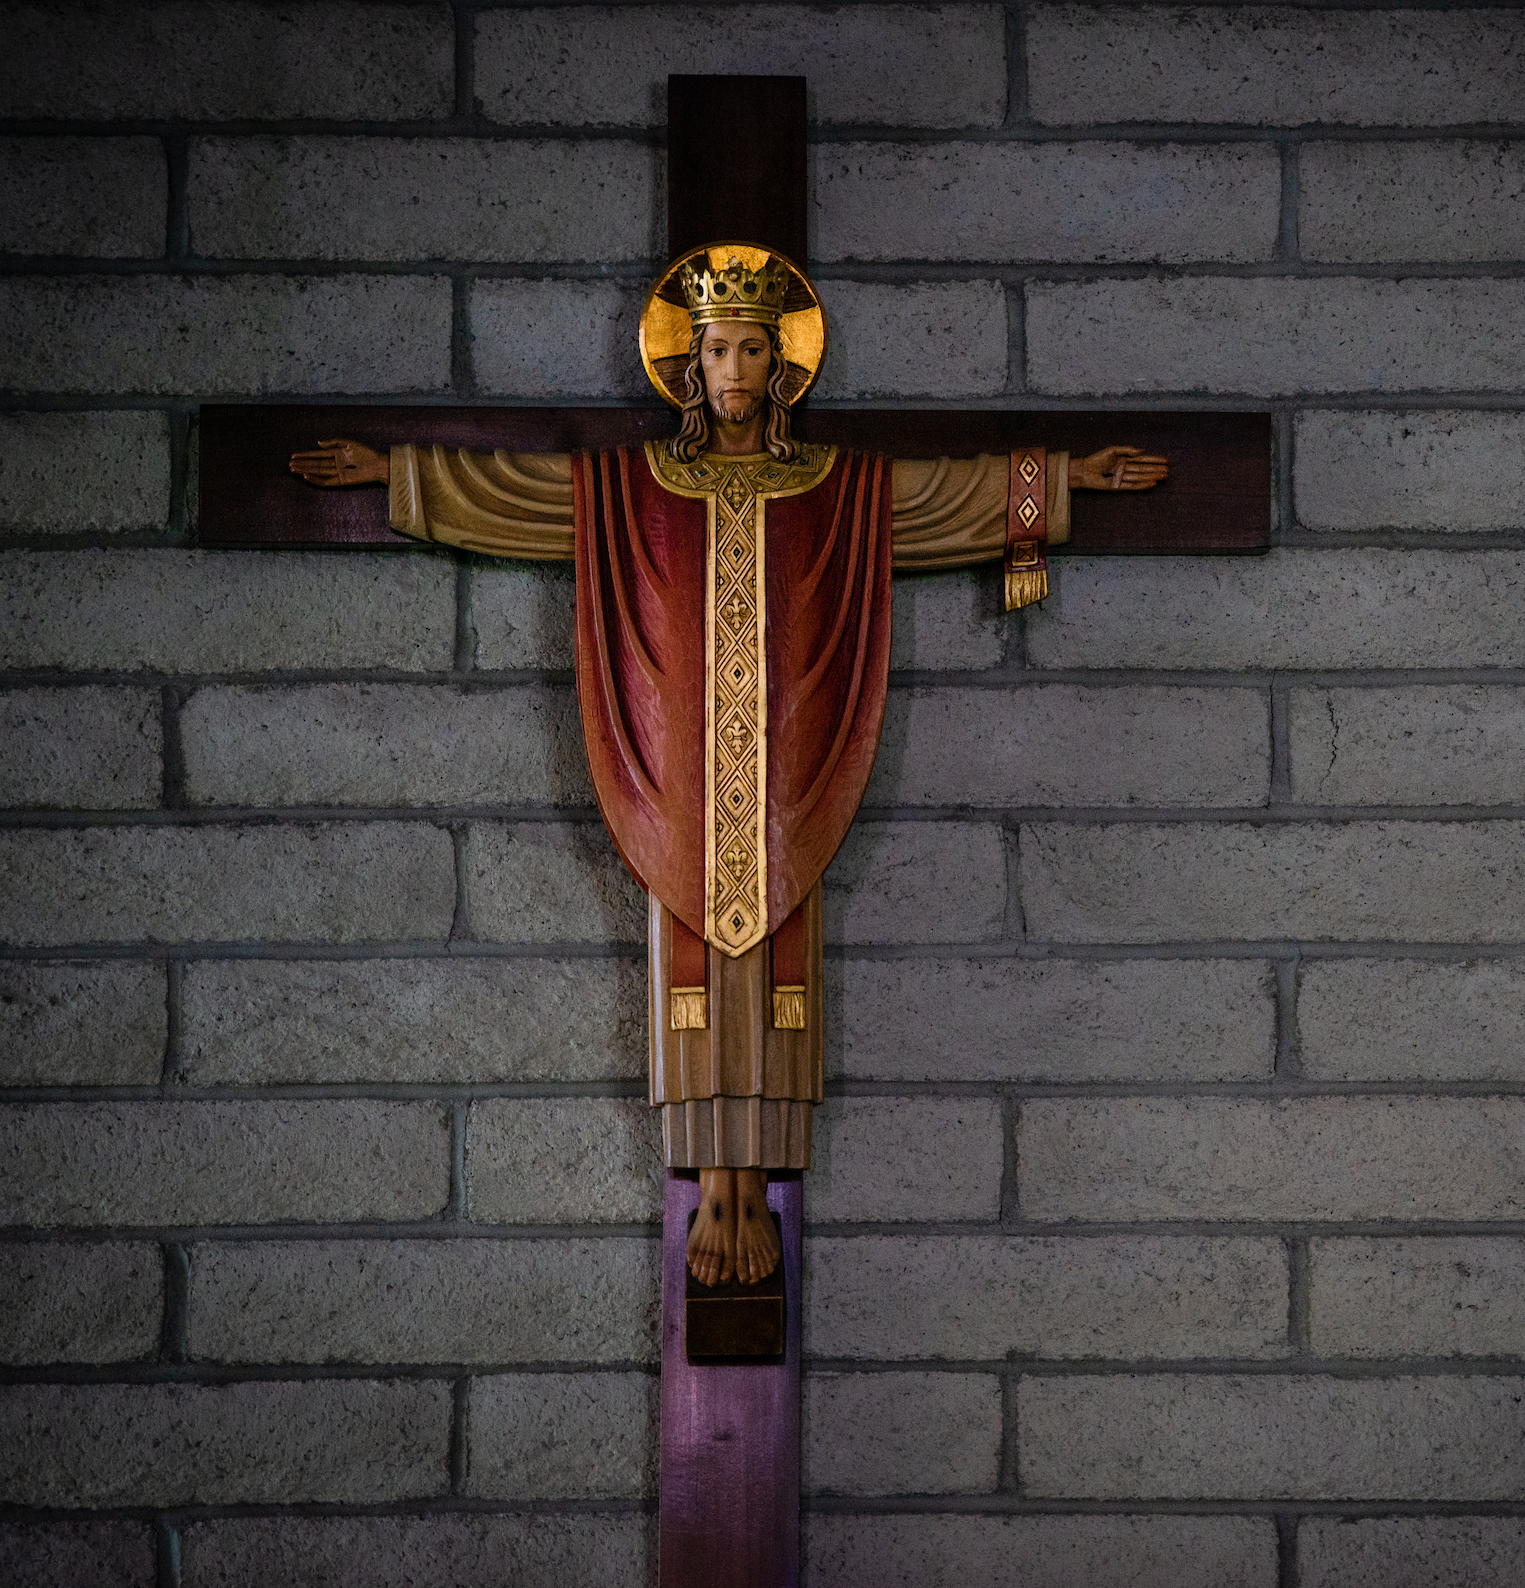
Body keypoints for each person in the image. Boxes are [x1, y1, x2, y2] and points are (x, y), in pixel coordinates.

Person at [292, 245, 1166, 1288]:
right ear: (691, 367)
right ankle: (713, 1184)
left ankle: (753, 1181)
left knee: (781, 962)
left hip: (791, 783)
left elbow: (944, 499)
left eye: (755, 347)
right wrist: (399, 474)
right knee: (691, 955)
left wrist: (1059, 481)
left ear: (784, 366)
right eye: (718, 349)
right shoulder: (636, 489)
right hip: (680, 786)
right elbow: (518, 495)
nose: (737, 367)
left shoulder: (833, 491)